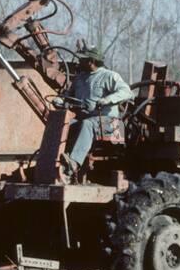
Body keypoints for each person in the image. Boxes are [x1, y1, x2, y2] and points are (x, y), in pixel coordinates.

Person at [56, 46, 134, 182]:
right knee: (63, 124)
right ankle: (56, 161)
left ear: (91, 61)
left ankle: (73, 163)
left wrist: (108, 99)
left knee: (86, 124)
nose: (79, 62)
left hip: (110, 123)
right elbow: (68, 95)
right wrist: (60, 100)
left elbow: (127, 92)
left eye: (82, 60)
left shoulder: (109, 76)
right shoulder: (80, 78)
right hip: (85, 119)